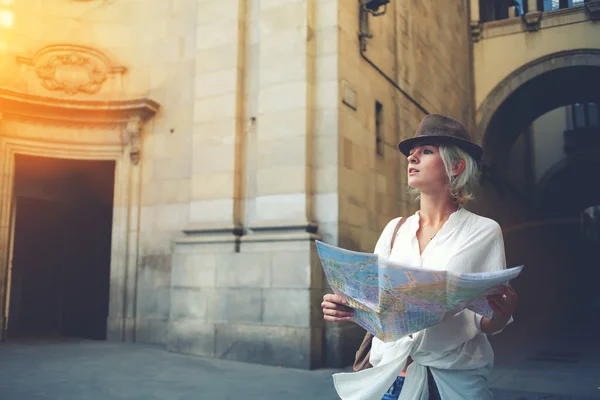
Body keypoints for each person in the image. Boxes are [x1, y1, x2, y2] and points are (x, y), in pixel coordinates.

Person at [321, 114, 518, 400]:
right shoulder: (395, 229)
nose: (412, 159)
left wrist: (503, 312)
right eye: (412, 154)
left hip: (450, 381)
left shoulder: (484, 231)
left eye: (426, 152)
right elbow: (377, 306)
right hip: (390, 378)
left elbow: (484, 322)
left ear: (455, 166)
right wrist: (348, 308)